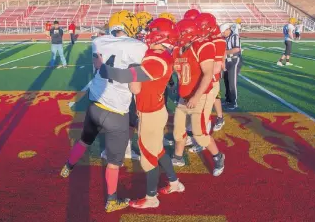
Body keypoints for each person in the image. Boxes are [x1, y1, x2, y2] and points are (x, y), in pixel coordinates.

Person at [60, 10, 147, 212]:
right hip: (117, 112)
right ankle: (111, 200)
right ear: (130, 26)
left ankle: (67, 166)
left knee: (84, 140)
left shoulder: (99, 42)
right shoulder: (138, 47)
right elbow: (135, 88)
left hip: (95, 106)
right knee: (114, 163)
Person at [94, 18, 185, 209]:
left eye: (151, 31)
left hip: (150, 113)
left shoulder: (157, 60)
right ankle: (174, 183)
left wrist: (102, 68)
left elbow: (127, 78)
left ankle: (151, 198)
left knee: (148, 157)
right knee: (157, 151)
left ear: (159, 35)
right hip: (156, 109)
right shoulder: (160, 53)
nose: (147, 34)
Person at [171, 18, 225, 176]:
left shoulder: (202, 46)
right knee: (178, 131)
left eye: (179, 34)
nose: (177, 36)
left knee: (199, 134)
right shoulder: (178, 49)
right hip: (184, 97)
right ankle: (178, 157)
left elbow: (208, 75)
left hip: (198, 96)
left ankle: (218, 156)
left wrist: (196, 96)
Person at [220, 23, 242, 110]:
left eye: (223, 32)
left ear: (228, 29)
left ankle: (233, 102)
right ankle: (228, 99)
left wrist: (224, 53)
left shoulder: (234, 36)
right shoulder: (225, 37)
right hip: (227, 60)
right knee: (226, 80)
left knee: (232, 81)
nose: (223, 34)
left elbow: (237, 49)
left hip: (234, 60)